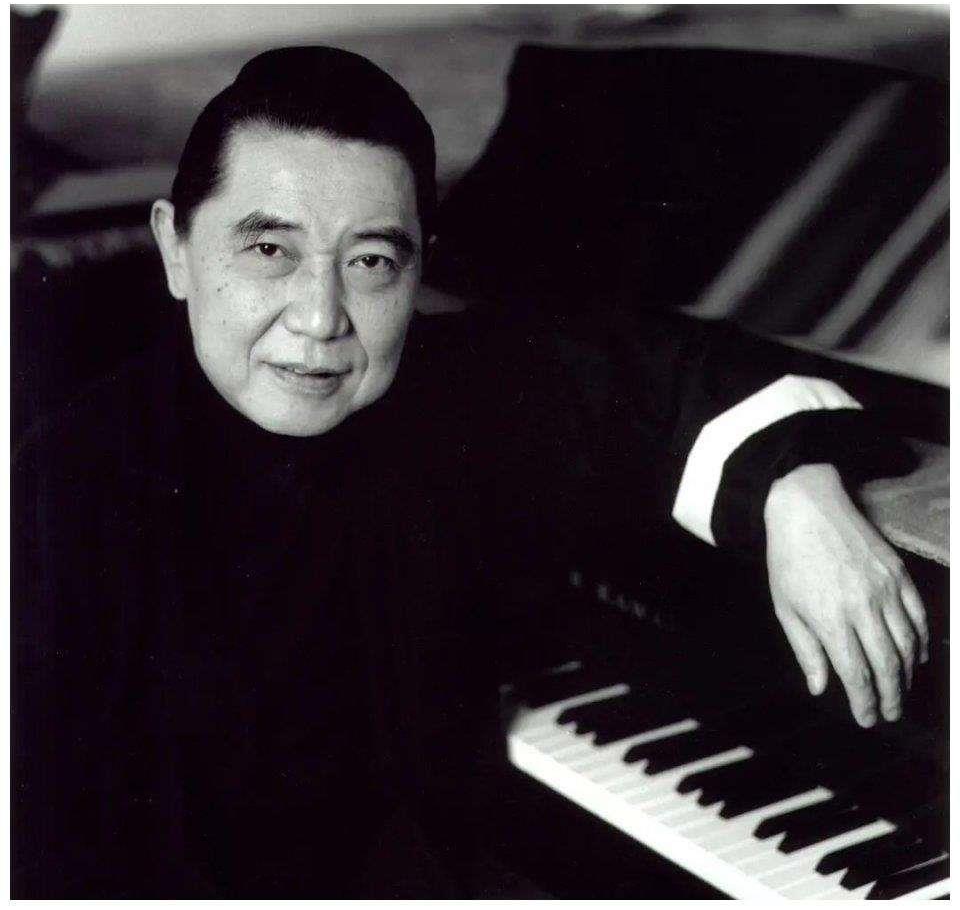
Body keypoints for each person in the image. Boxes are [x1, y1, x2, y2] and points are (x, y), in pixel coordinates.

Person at [13, 46, 928, 897]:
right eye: (269, 250)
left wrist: (800, 492)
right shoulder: (54, 499)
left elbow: (666, 370)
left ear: (418, 272)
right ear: (175, 247)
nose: (321, 317)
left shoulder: (451, 389)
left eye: (371, 261)